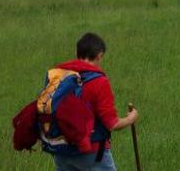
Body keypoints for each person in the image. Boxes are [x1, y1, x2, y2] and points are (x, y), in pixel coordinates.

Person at [52, 32, 139, 171]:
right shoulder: (99, 81)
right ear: (99, 55)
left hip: (61, 151)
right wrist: (130, 119)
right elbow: (112, 124)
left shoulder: (58, 76)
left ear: (77, 52)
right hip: (92, 153)